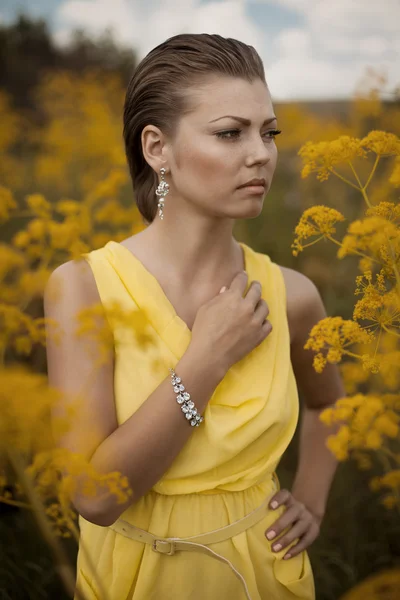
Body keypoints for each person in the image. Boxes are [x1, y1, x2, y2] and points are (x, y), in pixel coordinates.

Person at [44, 33, 345, 600]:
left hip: (268, 576)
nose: (260, 153)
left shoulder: (293, 296)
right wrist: (206, 360)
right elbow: (94, 497)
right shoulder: (83, 288)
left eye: (268, 132)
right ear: (157, 148)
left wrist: (311, 498)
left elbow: (332, 405)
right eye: (230, 133)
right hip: (134, 581)